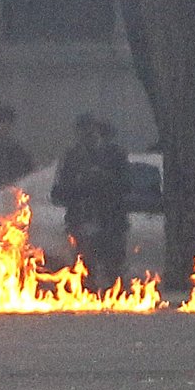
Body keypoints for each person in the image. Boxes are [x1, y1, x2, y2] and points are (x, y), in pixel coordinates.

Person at [50, 113, 130, 289]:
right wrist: (80, 185)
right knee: (85, 268)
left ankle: (114, 298)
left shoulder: (115, 155)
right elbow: (58, 192)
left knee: (113, 268)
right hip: (81, 219)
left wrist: (104, 180)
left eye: (91, 130)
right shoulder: (71, 157)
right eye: (82, 131)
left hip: (111, 220)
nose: (87, 135)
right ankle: (88, 298)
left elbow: (126, 185)